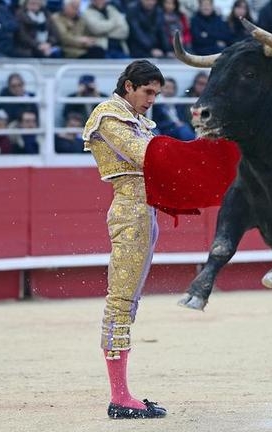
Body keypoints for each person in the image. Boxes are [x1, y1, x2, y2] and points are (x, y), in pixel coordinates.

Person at [82, 59, 167, 420]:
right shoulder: (108, 114)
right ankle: (120, 397)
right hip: (130, 212)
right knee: (120, 301)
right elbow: (143, 155)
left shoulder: (138, 121)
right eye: (148, 92)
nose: (152, 100)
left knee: (128, 302)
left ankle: (123, 393)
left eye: (157, 94)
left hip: (145, 212)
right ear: (129, 85)